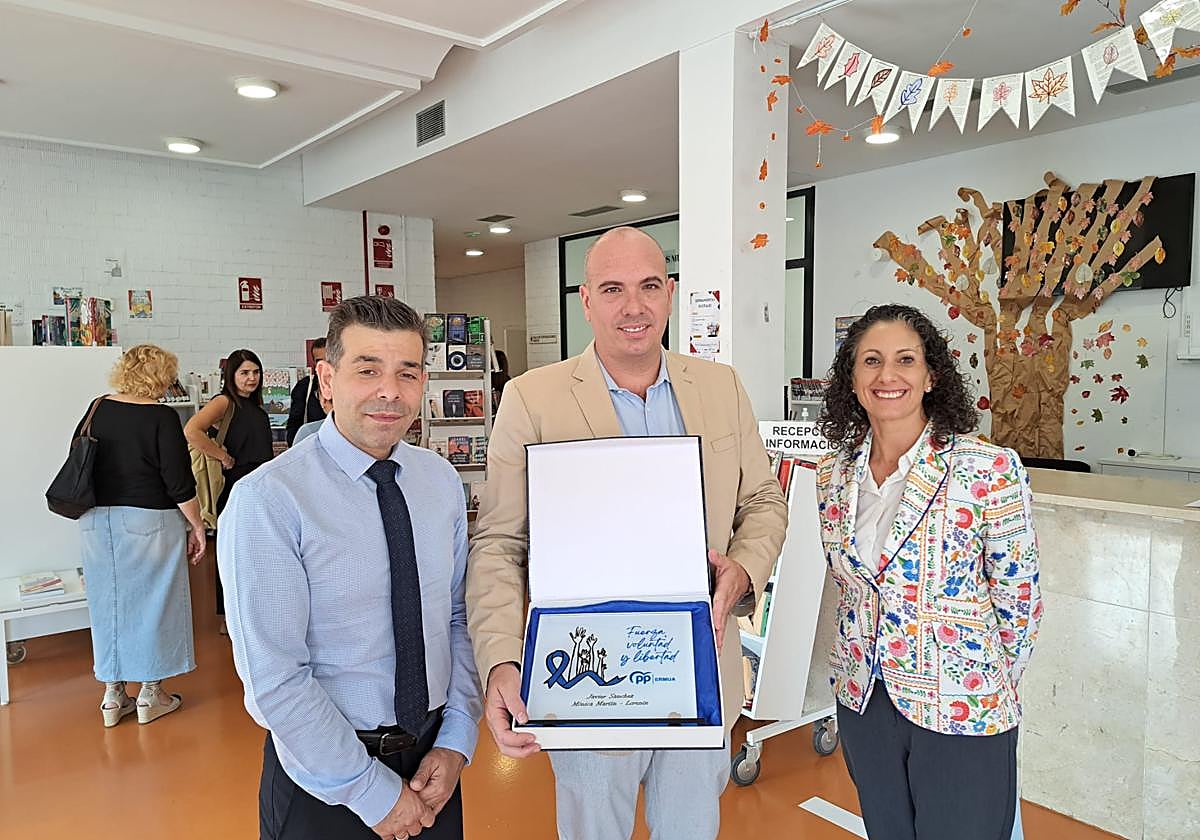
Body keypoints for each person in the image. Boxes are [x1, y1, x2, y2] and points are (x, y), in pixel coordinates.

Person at [467, 227, 787, 840]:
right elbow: (500, 544)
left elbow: (763, 501)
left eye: (647, 287)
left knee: (691, 828)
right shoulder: (533, 400)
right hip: (585, 674)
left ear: (669, 294)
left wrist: (743, 569)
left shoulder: (720, 388)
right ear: (586, 300)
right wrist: (503, 660)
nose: (633, 308)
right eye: (612, 289)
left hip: (699, 666)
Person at [218, 295, 481, 840]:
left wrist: (456, 737)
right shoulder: (269, 500)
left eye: (407, 373)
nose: (390, 391)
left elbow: (458, 620)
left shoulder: (439, 483)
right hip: (327, 780)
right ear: (327, 379)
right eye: (368, 370)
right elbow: (276, 677)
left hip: (434, 767)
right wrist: (370, 792)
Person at [814, 304, 1042, 840]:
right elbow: (851, 589)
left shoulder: (986, 467)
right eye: (870, 361)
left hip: (961, 701)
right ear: (852, 378)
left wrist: (987, 683)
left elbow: (1019, 597)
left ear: (930, 375)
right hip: (865, 700)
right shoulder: (834, 473)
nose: (887, 376)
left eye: (905, 360)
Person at [75, 344, 206, 727]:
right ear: (159, 377)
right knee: (155, 604)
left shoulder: (97, 407)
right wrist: (197, 524)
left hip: (97, 521)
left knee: (107, 605)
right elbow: (178, 481)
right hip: (151, 521)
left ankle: (112, 697)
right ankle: (151, 693)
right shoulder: (161, 417)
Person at [184, 349, 272, 631]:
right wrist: (222, 456)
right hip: (234, 485)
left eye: (256, 372)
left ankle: (254, 608)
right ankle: (228, 615)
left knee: (257, 550)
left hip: (261, 486)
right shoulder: (224, 402)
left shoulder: (257, 408)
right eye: (244, 372)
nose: (251, 378)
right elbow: (192, 430)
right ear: (231, 375)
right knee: (232, 550)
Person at [286, 338, 328, 445]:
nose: (324, 366)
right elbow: (293, 424)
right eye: (319, 361)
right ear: (313, 362)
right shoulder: (304, 387)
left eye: (328, 360)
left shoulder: (346, 386)